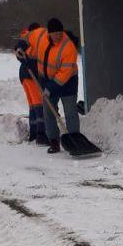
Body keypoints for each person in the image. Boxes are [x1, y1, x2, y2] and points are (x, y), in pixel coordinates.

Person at [33, 18, 80, 154]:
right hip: (46, 80)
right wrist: (20, 47)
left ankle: (75, 141)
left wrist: (50, 88)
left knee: (70, 112)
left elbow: (65, 73)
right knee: (48, 112)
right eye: (55, 34)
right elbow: (28, 40)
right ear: (49, 33)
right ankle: (54, 142)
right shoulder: (42, 40)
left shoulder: (68, 47)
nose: (58, 36)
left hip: (68, 82)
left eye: (60, 33)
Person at [16, 23, 46, 143]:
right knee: (39, 105)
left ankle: (34, 133)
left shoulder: (25, 38)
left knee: (33, 105)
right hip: (31, 76)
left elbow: (19, 49)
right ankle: (41, 134)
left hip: (24, 76)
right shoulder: (34, 41)